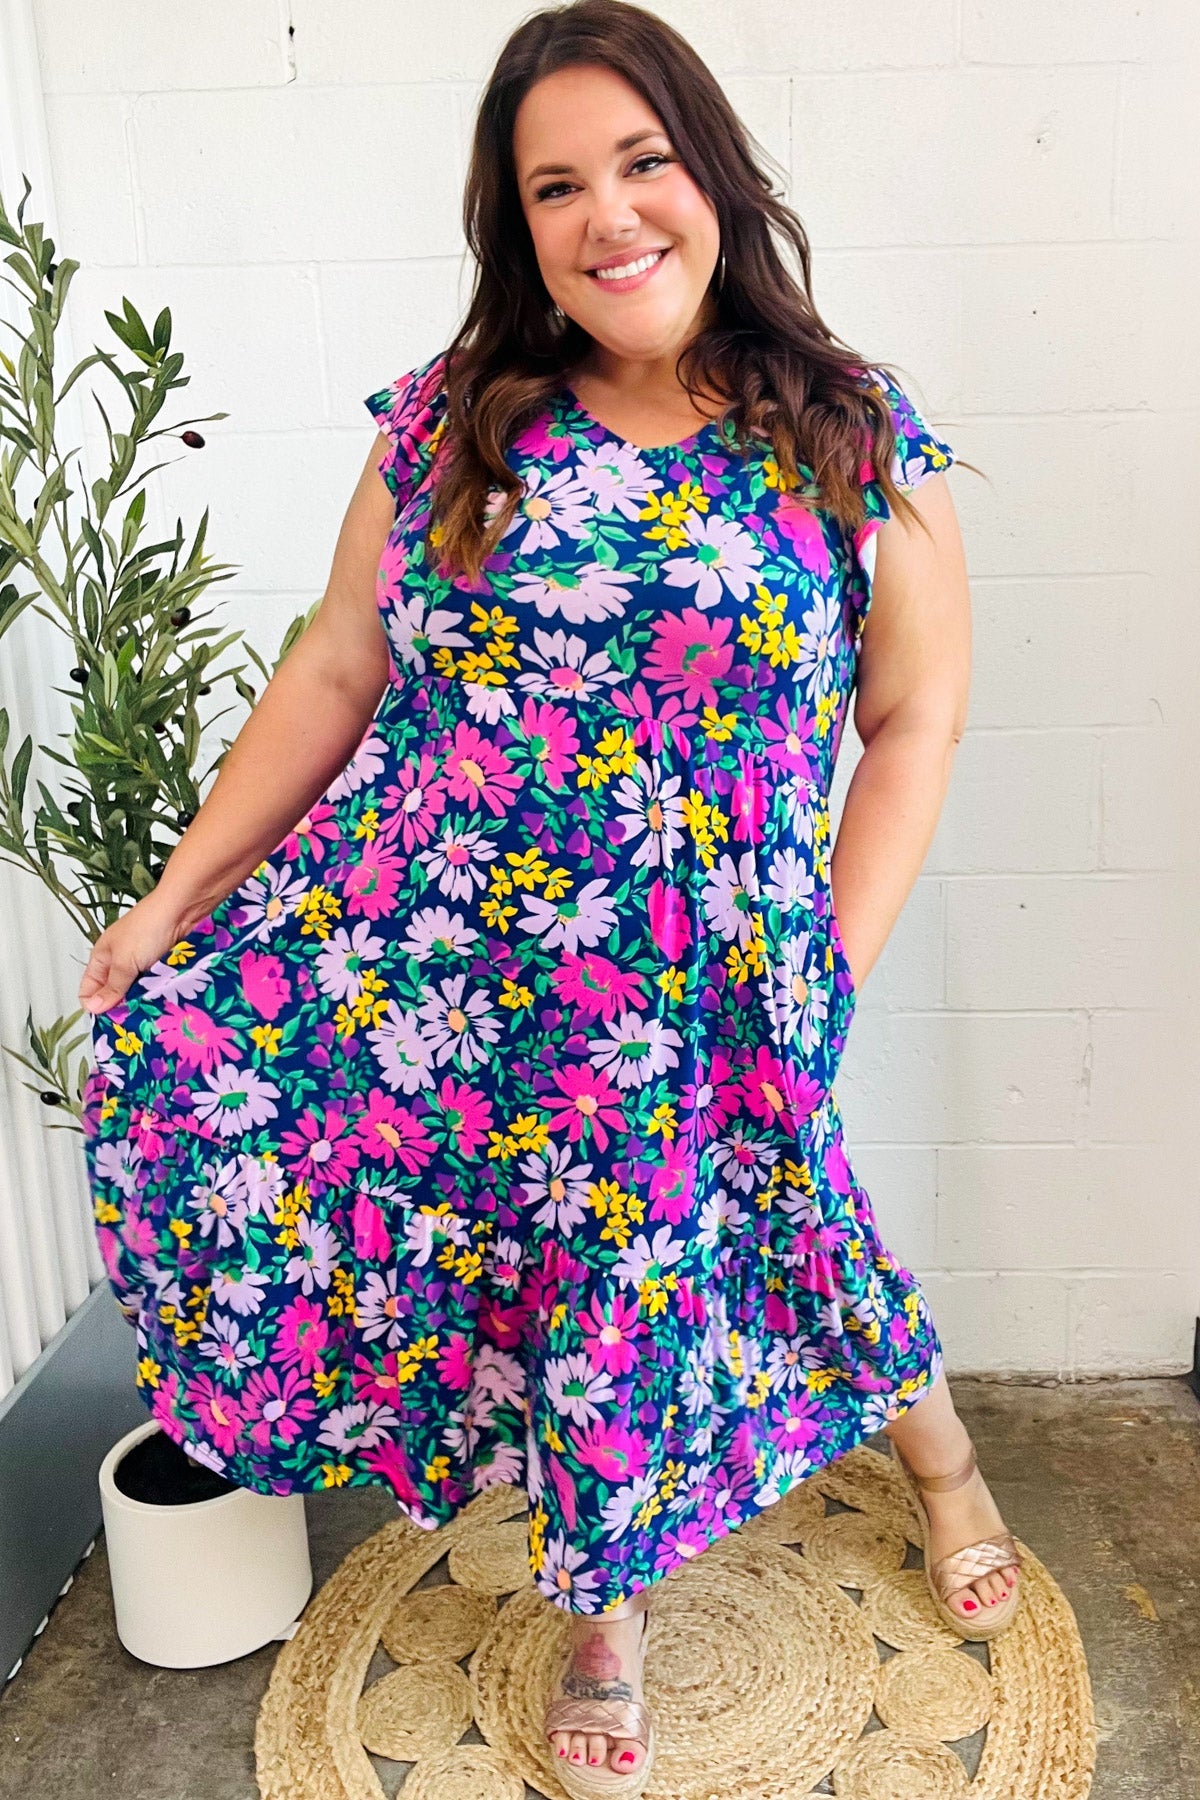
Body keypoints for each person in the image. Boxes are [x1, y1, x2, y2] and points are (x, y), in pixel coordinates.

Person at [78, 2, 1023, 1791]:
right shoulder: (455, 424)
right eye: (557, 186)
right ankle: (608, 1611)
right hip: (453, 972)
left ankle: (947, 1468)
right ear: (518, 228)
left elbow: (916, 717)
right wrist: (176, 895)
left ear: (713, 178)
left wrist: (825, 967)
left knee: (797, 1234)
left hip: (710, 988)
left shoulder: (846, 430)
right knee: (577, 1313)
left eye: (643, 163)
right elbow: (336, 667)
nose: (611, 215)